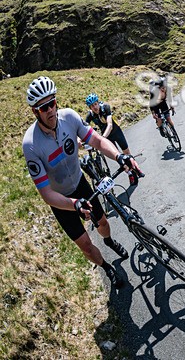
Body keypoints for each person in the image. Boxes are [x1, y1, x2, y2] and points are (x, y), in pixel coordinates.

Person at [22, 76, 143, 289]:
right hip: (61, 201)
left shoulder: (69, 117)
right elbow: (46, 194)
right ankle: (106, 267)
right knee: (86, 246)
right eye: (43, 108)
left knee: (103, 223)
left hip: (79, 184)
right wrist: (74, 204)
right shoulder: (31, 145)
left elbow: (96, 140)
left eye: (52, 103)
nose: (50, 110)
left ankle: (108, 242)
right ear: (35, 111)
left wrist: (119, 156)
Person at [84, 93, 144, 185]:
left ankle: (137, 169)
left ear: (98, 102)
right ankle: (130, 174)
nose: (95, 107)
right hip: (108, 137)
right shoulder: (90, 115)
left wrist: (102, 138)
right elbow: (84, 127)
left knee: (127, 153)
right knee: (118, 157)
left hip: (116, 132)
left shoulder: (105, 107)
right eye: (92, 106)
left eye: (95, 104)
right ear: (90, 107)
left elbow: (110, 125)